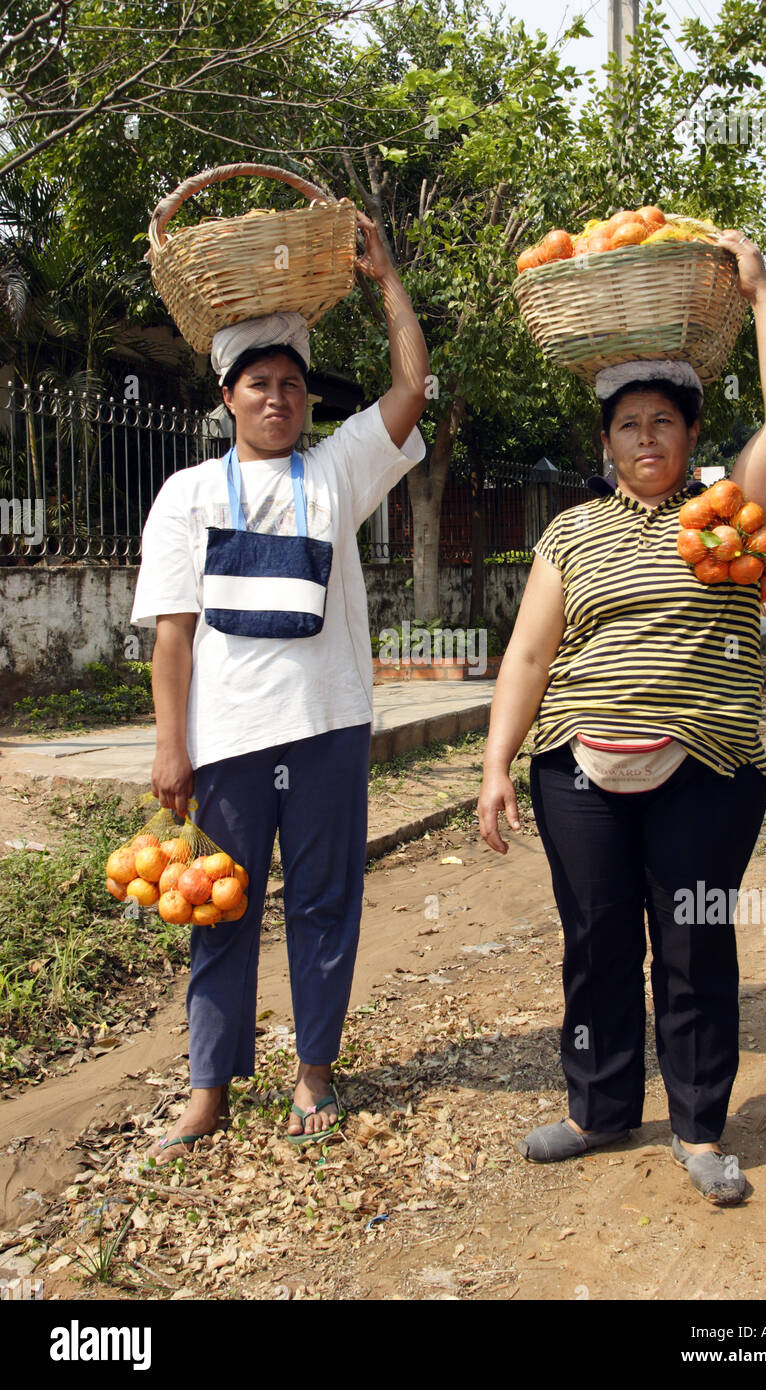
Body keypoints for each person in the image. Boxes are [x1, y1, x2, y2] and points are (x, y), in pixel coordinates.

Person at [477, 231, 766, 1204]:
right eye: (627, 424)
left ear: (687, 435)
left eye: (662, 421)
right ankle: (597, 1106)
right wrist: (497, 762)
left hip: (705, 764)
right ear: (604, 442)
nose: (645, 438)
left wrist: (756, 289)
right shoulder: (569, 531)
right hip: (574, 767)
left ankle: (701, 1127)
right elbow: (530, 655)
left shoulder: (725, 515)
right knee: (594, 938)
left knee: (694, 935)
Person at [131, 212, 429, 1161]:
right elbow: (172, 634)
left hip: (330, 725)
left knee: (324, 903)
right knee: (219, 907)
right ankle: (208, 1089)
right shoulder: (187, 495)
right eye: (259, 385)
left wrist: (385, 281)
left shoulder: (337, 471)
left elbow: (413, 387)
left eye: (292, 386)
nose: (277, 399)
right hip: (226, 740)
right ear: (227, 397)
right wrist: (170, 742)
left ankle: (314, 1077)